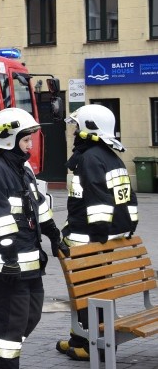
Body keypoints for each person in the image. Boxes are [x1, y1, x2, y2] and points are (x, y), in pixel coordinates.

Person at [0, 108, 61, 369]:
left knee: (31, 315)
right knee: (10, 326)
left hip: (29, 262)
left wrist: (54, 234)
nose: (29, 145)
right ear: (8, 139)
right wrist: (10, 256)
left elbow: (37, 206)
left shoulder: (22, 169)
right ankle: (0, 361)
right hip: (8, 265)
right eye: (25, 140)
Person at [55, 105, 138, 362]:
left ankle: (91, 345)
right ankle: (80, 336)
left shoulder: (90, 157)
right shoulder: (109, 156)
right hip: (107, 235)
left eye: (77, 126)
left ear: (89, 128)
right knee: (91, 291)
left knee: (89, 291)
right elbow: (127, 198)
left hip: (89, 237)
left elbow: (99, 200)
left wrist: (98, 236)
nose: (75, 131)